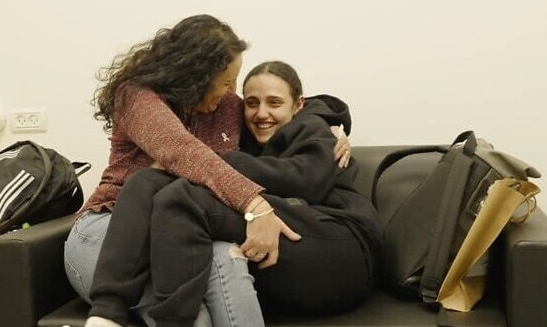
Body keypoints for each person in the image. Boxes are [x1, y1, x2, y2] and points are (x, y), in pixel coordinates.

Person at [63, 14, 351, 327]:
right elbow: (184, 152)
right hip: (110, 227)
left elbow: (282, 107)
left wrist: (328, 123)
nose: (231, 91)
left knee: (227, 256)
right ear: (196, 75)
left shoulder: (226, 106)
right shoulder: (137, 97)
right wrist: (255, 205)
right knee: (197, 315)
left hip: (179, 227)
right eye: (226, 81)